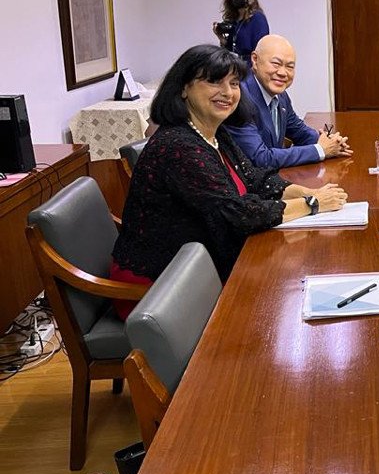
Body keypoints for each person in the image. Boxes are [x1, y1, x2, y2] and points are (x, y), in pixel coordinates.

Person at [112, 45, 348, 318]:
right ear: (184, 88)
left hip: (198, 266)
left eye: (234, 83)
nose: (228, 92)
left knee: (293, 280)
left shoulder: (215, 133)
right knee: (282, 300)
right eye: (214, 81)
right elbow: (239, 214)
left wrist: (305, 190)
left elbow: (256, 179)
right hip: (160, 287)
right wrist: (312, 203)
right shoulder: (178, 146)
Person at [226, 35, 352, 169]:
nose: (282, 73)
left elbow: (299, 131)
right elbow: (261, 158)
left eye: (290, 67)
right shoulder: (239, 97)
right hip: (249, 186)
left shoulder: (281, 96)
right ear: (255, 59)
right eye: (276, 64)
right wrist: (320, 150)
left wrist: (331, 142)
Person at [213, 0, 269, 65]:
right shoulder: (235, 19)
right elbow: (232, 50)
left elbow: (261, 50)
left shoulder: (257, 18)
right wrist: (221, 38)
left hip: (251, 68)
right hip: (236, 67)